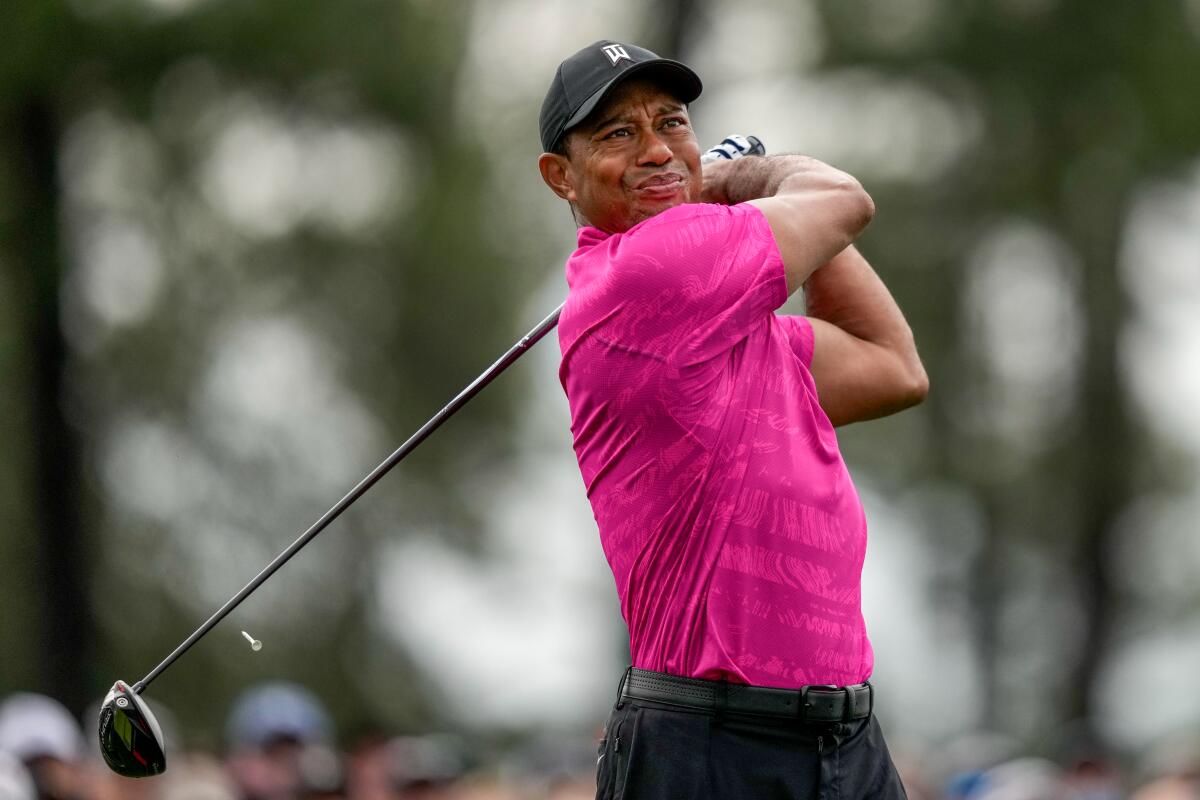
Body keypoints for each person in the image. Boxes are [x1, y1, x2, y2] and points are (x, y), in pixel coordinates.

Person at [536, 40, 928, 799]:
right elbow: (844, 202)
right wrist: (739, 178)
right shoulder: (644, 276)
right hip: (712, 746)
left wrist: (729, 201)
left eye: (672, 123)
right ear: (562, 177)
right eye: (618, 134)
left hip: (846, 741)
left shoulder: (730, 330)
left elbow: (893, 367)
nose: (655, 149)